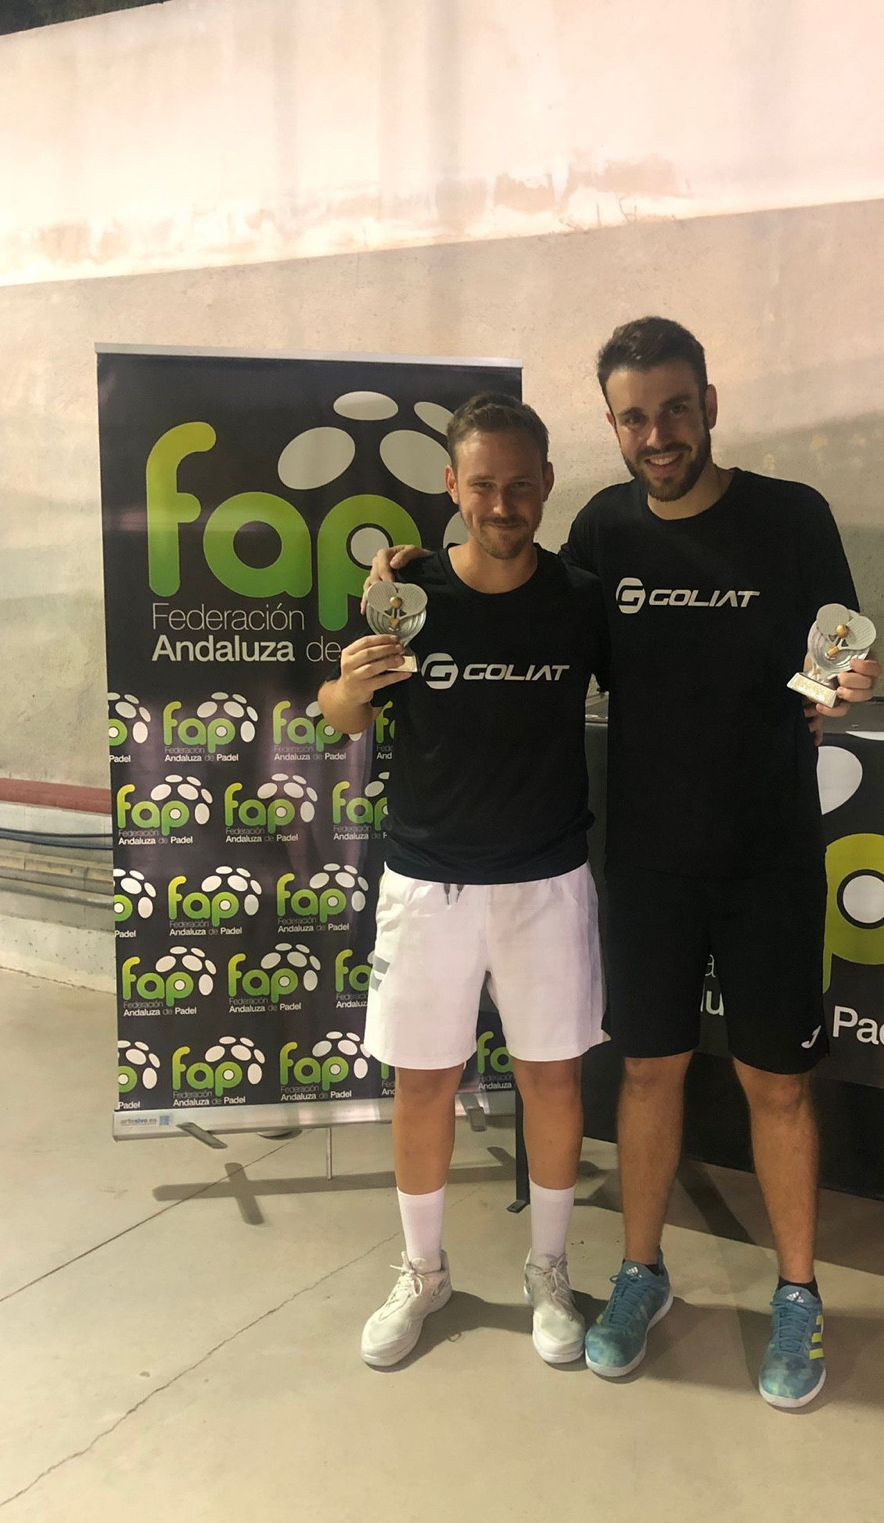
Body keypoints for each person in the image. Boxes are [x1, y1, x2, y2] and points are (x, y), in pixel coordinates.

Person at [367, 319, 880, 1406]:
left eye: (676, 408)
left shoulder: (793, 515)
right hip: (644, 861)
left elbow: (836, 650)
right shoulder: (602, 528)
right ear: (612, 427)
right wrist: (412, 581)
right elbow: (515, 590)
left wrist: (841, 687)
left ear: (709, 404)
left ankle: (798, 1294)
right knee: (648, 1074)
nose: (658, 434)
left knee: (776, 1086)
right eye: (634, 417)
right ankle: (641, 1274)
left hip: (772, 855)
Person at [319, 392, 609, 1370]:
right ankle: (423, 1271)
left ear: (547, 484)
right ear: (451, 484)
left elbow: (668, 693)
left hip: (546, 880)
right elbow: (340, 713)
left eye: (520, 484)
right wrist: (352, 684)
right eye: (483, 484)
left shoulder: (580, 599)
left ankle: (549, 1271)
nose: (502, 504)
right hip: (426, 879)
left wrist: (809, 698)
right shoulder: (405, 594)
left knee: (552, 1079)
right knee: (424, 1083)